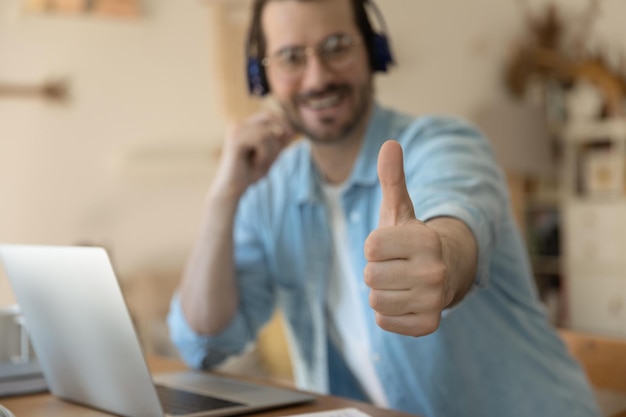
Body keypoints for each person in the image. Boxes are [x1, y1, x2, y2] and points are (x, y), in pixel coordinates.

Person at [167, 0, 601, 416]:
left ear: (374, 50)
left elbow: (457, 222)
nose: (317, 78)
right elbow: (205, 344)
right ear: (261, 78)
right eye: (291, 57)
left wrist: (442, 262)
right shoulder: (269, 189)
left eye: (336, 46)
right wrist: (224, 197)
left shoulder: (443, 143)